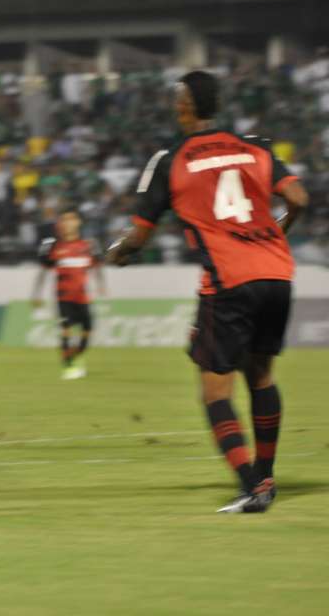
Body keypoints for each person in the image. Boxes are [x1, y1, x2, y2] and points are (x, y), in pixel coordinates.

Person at [107, 70, 309, 514]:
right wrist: (280, 229)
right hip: (277, 273)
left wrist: (120, 253)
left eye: (177, 98)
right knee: (261, 376)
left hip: (229, 280)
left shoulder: (170, 159)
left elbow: (140, 234)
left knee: (215, 393)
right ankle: (265, 476)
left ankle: (252, 489)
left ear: (185, 105)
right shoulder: (255, 147)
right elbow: (297, 197)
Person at [31, 210, 105, 380]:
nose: (67, 223)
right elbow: (43, 272)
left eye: (71, 219)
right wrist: (37, 294)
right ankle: (68, 367)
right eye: (64, 219)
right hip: (63, 297)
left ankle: (75, 357)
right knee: (66, 330)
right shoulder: (53, 246)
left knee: (88, 331)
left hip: (83, 297)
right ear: (60, 224)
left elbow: (97, 268)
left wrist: (101, 286)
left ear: (78, 222)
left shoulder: (88, 245)